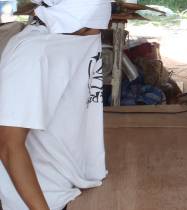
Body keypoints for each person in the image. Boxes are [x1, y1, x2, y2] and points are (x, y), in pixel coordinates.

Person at [0, 0, 111, 209]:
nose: (101, 31)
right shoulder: (32, 56)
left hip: (72, 183)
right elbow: (8, 145)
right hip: (42, 198)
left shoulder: (80, 39)